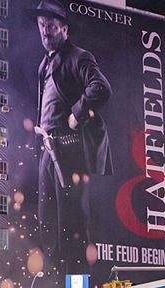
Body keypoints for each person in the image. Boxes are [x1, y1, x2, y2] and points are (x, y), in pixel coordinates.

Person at [33, 0, 112, 273]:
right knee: (48, 221)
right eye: (42, 27)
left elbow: (101, 87)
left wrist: (77, 114)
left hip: (69, 150)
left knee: (73, 222)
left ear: (64, 29)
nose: (45, 32)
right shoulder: (44, 65)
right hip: (48, 149)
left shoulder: (79, 56)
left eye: (51, 27)